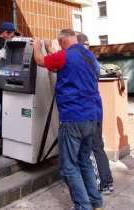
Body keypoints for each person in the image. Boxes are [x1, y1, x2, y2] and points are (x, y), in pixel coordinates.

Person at [33, 29, 103, 210]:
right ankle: (96, 203)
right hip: (92, 117)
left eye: (59, 43)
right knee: (84, 161)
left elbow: (40, 61)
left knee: (69, 167)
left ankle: (82, 206)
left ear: (63, 41)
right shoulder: (89, 56)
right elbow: (62, 67)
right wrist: (50, 49)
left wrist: (36, 47)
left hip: (73, 119)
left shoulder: (65, 55)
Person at [77, 33, 114, 194]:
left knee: (92, 147)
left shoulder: (79, 59)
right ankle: (107, 182)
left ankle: (103, 183)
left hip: (88, 112)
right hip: (96, 108)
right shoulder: (92, 60)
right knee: (98, 146)